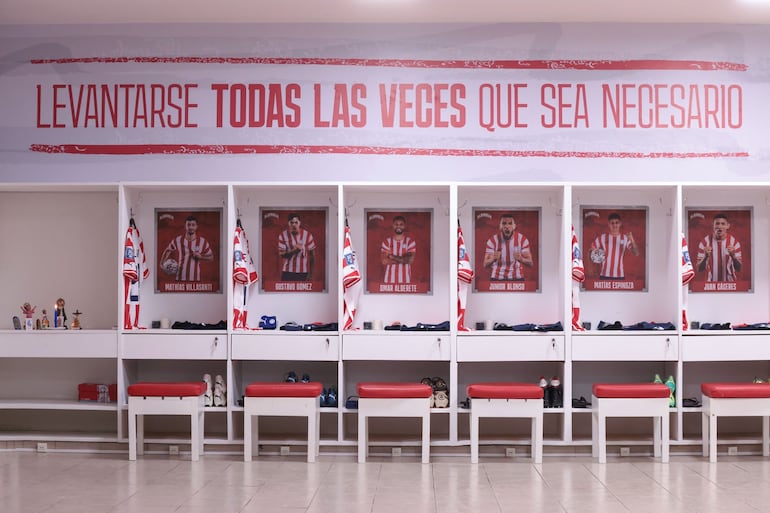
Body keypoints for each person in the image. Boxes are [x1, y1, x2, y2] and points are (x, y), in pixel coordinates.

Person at [160, 215, 214, 281]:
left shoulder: (203, 242)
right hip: (179, 280)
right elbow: (168, 250)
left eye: (193, 225)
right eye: (188, 225)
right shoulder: (178, 240)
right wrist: (162, 264)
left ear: (196, 227)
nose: (191, 227)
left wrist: (201, 257)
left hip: (195, 281)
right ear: (185, 226)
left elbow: (211, 257)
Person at [483, 213, 533, 281]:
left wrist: (521, 259)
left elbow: (530, 263)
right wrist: (493, 258)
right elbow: (485, 264)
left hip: (517, 277)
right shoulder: (492, 241)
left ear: (514, 226)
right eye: (504, 223)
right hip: (497, 277)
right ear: (500, 226)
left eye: (510, 223)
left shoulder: (522, 240)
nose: (507, 226)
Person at [589, 212, 639, 280]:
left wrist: (632, 240)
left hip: (619, 276)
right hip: (604, 275)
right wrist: (592, 264)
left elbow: (636, 253)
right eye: (612, 223)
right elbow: (591, 249)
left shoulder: (625, 238)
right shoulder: (602, 237)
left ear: (620, 224)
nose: (614, 225)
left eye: (616, 222)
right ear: (609, 224)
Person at [696, 213, 742, 282]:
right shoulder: (704, 242)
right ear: (713, 226)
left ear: (728, 226)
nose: (720, 227)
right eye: (717, 224)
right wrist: (705, 257)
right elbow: (699, 269)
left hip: (729, 285)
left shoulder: (734, 243)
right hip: (710, 285)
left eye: (723, 224)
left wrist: (733, 256)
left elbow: (739, 269)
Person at [277, 212, 316, 281]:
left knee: (302, 292)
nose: (294, 225)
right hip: (287, 272)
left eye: (296, 222)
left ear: (299, 223)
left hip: (303, 272)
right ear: (288, 223)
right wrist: (295, 250)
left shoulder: (308, 235)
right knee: (285, 292)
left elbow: (312, 255)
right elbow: (282, 255)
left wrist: (311, 274)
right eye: (291, 222)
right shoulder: (283, 236)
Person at [380, 215, 416, 283]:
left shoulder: (410, 242)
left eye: (401, 224)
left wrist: (391, 256)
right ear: (393, 226)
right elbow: (384, 261)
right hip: (389, 281)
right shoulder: (387, 242)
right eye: (396, 224)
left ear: (404, 226)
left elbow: (410, 260)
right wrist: (404, 259)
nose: (398, 226)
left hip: (406, 281)